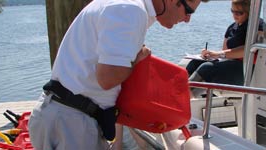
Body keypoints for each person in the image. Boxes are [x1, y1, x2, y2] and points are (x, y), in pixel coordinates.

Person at [28, 0, 209, 149]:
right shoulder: (130, 10)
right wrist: (138, 59)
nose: (187, 19)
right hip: (72, 124)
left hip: (61, 114)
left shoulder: (125, 5)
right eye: (188, 11)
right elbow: (108, 78)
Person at [186, 0, 264, 88]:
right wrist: (210, 54)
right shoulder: (232, 27)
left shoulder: (257, 25)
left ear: (249, 11)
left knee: (207, 69)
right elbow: (224, 51)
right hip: (231, 63)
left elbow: (249, 49)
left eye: (239, 13)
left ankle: (183, 96)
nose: (234, 15)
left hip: (248, 69)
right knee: (195, 63)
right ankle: (177, 91)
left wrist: (218, 54)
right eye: (233, 11)